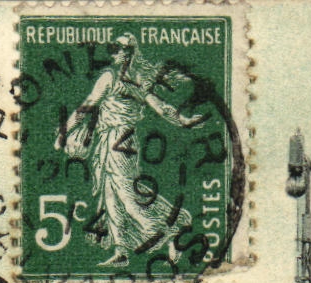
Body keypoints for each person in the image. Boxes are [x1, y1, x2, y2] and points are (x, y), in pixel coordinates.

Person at [60, 33, 205, 268]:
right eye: (112, 48)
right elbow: (88, 106)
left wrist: (183, 121)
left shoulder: (122, 78)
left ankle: (172, 228)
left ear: (129, 52)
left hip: (120, 140)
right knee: (110, 195)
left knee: (126, 194)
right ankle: (121, 251)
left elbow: (158, 107)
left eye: (117, 48)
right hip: (112, 140)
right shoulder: (121, 77)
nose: (113, 52)